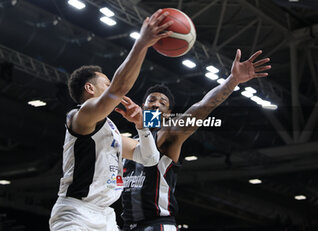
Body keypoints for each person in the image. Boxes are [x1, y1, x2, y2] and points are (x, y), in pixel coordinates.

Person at [118, 49, 271, 231]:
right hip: (127, 226)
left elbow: (201, 107)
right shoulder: (128, 142)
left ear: (168, 114)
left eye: (163, 103)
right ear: (143, 105)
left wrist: (233, 80)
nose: (156, 104)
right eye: (152, 100)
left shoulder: (167, 135)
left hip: (157, 225)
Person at [49, 9, 175, 231]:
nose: (110, 87)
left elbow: (150, 159)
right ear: (89, 88)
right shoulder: (80, 116)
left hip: (106, 217)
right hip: (75, 214)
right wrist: (142, 43)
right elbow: (119, 88)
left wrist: (142, 127)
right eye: (105, 83)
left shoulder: (112, 130)